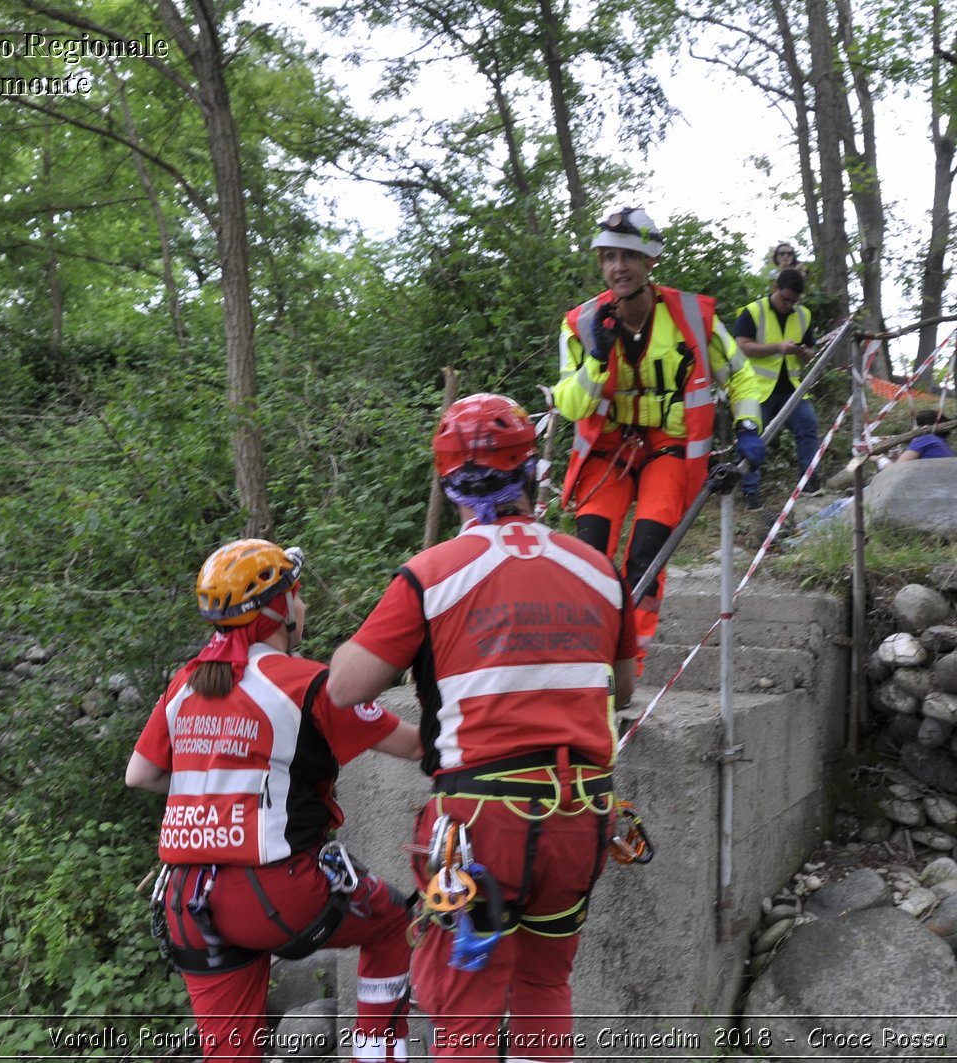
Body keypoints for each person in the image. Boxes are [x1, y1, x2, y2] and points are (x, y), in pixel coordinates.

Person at [325, 393, 639, 1061]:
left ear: (447, 482)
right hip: (581, 813)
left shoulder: (431, 574)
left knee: (464, 1007)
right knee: (545, 985)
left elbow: (344, 687)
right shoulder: (600, 568)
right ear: (532, 472)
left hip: (480, 822)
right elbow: (624, 686)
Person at [126, 539, 423, 1063]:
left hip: (188, 900)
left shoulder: (185, 683)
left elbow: (140, 774)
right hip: (276, 891)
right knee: (393, 922)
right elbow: (418, 746)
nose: (303, 607)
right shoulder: (306, 683)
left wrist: (216, 788)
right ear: (276, 610)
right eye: (297, 595)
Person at [552, 205, 764, 658]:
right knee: (589, 556)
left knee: (647, 553)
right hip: (608, 452)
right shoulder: (580, 325)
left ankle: (628, 664)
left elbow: (742, 377)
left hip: (669, 450)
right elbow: (570, 405)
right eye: (608, 257)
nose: (617, 267)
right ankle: (587, 660)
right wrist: (596, 357)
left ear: (650, 262)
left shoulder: (691, 317)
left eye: (627, 256)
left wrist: (749, 427)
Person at [732, 267, 824, 509]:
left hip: (790, 389)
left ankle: (810, 482)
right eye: (786, 300)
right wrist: (776, 347)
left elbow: (811, 350)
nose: (789, 305)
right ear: (775, 289)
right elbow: (740, 346)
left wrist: (804, 352)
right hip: (755, 389)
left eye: (795, 301)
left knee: (808, 427)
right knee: (752, 438)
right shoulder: (754, 311)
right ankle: (750, 493)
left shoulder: (803, 315)